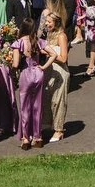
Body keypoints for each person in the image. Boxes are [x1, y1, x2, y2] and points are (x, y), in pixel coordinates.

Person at [13, 18, 46, 149]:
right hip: (38, 72)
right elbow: (53, 53)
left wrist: (11, 67)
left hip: (26, 73)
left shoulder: (19, 42)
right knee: (38, 105)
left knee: (25, 106)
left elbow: (15, 64)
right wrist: (44, 66)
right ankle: (37, 137)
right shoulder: (37, 41)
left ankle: (26, 137)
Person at [42, 12, 71, 144]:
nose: (46, 24)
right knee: (47, 99)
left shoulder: (61, 36)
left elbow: (64, 58)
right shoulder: (49, 35)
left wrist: (49, 52)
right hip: (49, 71)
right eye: (46, 21)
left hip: (60, 72)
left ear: (56, 23)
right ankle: (47, 124)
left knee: (58, 101)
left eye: (49, 22)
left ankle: (59, 130)